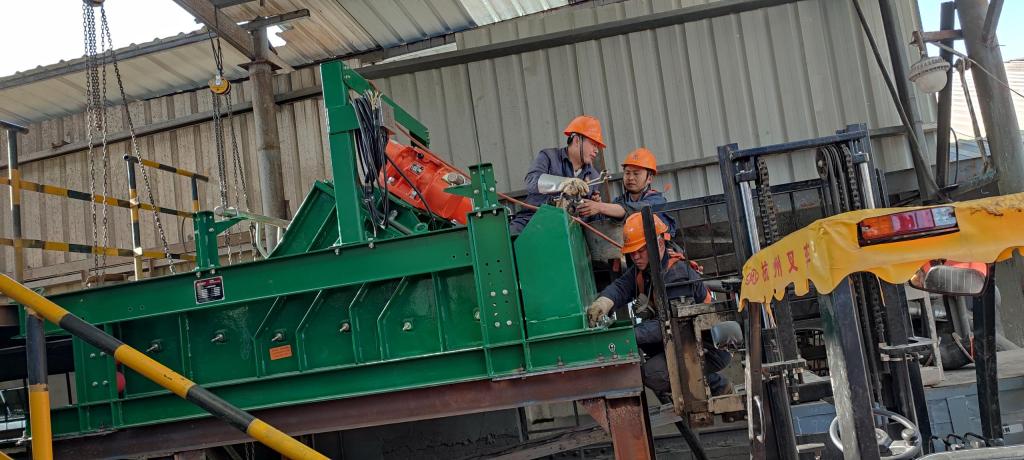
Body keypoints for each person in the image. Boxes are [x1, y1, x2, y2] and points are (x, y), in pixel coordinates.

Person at [586, 213, 732, 401]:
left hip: (711, 346)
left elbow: (670, 324)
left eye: (641, 250)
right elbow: (621, 287)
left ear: (660, 244)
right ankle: (708, 387)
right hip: (687, 339)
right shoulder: (647, 269)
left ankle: (715, 388)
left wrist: (627, 335)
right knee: (645, 342)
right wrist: (603, 303)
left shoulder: (676, 275)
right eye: (632, 252)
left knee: (653, 374)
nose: (635, 257)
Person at [509, 115, 606, 233]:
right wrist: (563, 183)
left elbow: (587, 219)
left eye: (597, 146)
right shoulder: (549, 157)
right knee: (511, 236)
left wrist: (594, 207)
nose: (596, 150)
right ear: (577, 141)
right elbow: (531, 181)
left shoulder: (594, 176)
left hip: (567, 231)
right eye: (593, 144)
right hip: (532, 221)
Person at [576, 147, 677, 236]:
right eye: (627, 173)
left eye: (636, 174)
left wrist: (600, 207)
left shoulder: (657, 201)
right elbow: (603, 222)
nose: (630, 178)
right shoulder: (620, 201)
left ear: (649, 178)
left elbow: (634, 209)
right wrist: (596, 207)